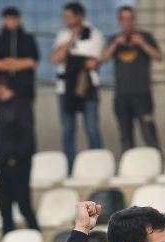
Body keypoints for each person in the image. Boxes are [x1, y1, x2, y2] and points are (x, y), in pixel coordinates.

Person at [51, 2, 105, 167]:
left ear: (79, 16)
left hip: (87, 85)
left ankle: (96, 163)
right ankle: (70, 165)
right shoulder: (63, 35)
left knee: (91, 128)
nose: (66, 20)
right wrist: (70, 40)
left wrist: (74, 59)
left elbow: (92, 61)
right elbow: (56, 58)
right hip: (65, 88)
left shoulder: (95, 34)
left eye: (69, 16)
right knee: (68, 130)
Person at [101, 5, 162, 152]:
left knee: (149, 133)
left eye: (130, 19)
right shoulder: (114, 39)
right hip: (122, 96)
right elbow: (103, 59)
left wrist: (142, 43)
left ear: (134, 20)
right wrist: (115, 44)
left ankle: (157, 163)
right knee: (125, 137)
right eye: (124, 19)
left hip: (142, 95)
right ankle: (128, 169)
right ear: (119, 22)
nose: (127, 22)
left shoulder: (145, 37)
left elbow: (158, 56)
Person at [0, 74, 39, 235]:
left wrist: (16, 157)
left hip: (18, 162)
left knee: (23, 203)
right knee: (4, 206)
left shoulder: (21, 105)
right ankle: (7, 237)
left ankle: (35, 232)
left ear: (2, 85)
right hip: (2, 162)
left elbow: (27, 135)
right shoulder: (1, 105)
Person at [0, 7, 40, 102]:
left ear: (19, 20)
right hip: (4, 90)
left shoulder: (28, 39)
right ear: (3, 20)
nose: (11, 21)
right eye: (8, 19)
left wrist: (12, 63)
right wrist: (19, 64)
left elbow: (32, 62)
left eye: (14, 18)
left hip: (25, 91)